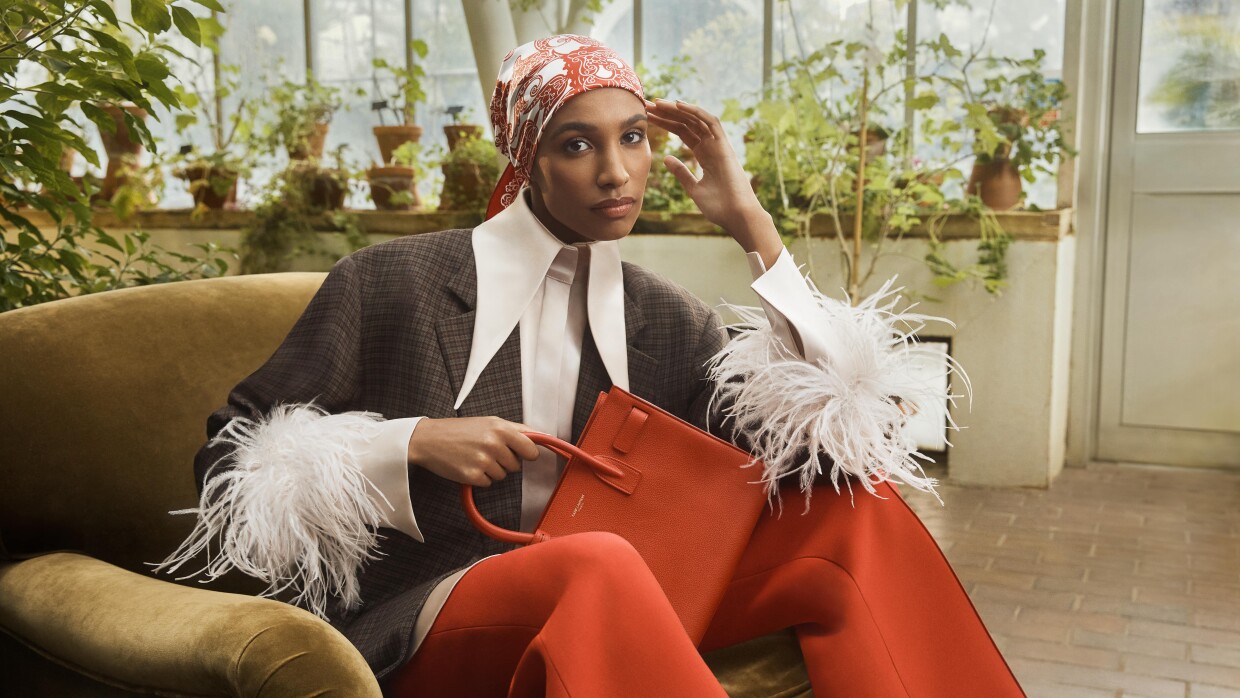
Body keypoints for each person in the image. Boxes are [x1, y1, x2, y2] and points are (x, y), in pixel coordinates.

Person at [161, 34, 1022, 696]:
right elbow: (230, 459)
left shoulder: (664, 318)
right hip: (418, 613)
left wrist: (752, 225)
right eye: (578, 145)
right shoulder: (391, 283)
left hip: (637, 593)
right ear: (528, 157)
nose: (617, 173)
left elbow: (834, 440)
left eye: (635, 138)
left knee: (855, 512)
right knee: (598, 560)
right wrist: (413, 442)